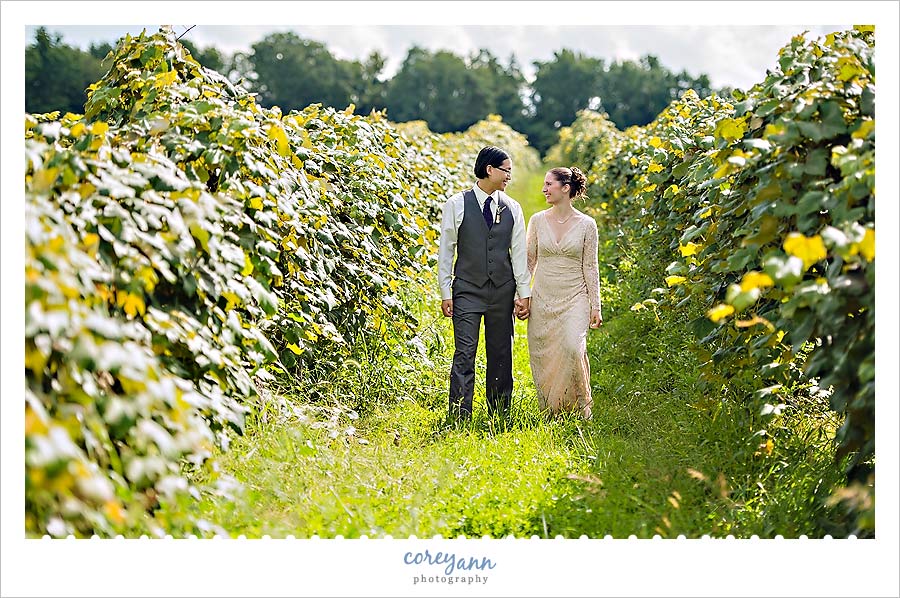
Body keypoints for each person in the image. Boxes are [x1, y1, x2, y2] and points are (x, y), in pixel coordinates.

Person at [438, 146, 532, 421]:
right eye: (506, 171)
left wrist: (522, 294)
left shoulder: (513, 208)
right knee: (464, 353)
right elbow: (446, 251)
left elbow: (519, 255)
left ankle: (499, 415)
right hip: (467, 289)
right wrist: (446, 292)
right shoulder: (456, 204)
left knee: (501, 353)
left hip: (502, 291)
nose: (508, 177)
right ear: (489, 169)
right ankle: (459, 416)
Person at [524, 166, 602, 419]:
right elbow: (529, 262)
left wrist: (595, 306)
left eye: (549, 184)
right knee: (544, 353)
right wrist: (522, 296)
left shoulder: (587, 225)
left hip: (575, 297)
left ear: (565, 188)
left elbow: (591, 266)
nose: (544, 189)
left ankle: (581, 407)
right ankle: (552, 409)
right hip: (544, 297)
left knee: (572, 346)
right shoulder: (537, 221)